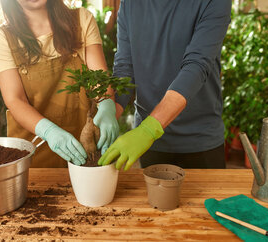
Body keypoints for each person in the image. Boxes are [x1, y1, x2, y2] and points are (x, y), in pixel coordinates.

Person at [98, 0, 232, 170]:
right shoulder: (131, 3)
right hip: (150, 145)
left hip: (200, 140)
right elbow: (125, 66)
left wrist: (149, 130)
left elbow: (196, 66)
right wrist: (109, 112)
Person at [0, 0, 119, 167]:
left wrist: (107, 104)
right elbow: (15, 100)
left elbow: (99, 78)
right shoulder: (3, 37)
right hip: (34, 149)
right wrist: (49, 132)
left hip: (86, 145)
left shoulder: (81, 20)